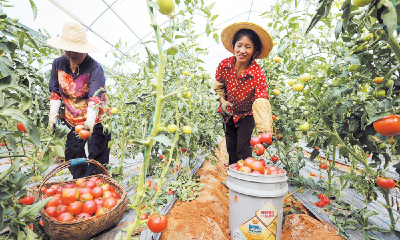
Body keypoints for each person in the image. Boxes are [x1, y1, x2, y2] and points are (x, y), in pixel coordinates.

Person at [47, 22, 111, 179]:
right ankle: (80, 183)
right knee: (73, 153)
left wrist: (90, 122)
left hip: (96, 118)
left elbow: (94, 98)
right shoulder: (58, 64)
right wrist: (53, 113)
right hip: (72, 119)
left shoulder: (95, 68)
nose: (72, 53)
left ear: (84, 50)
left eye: (77, 50)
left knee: (97, 154)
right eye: (68, 48)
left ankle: (95, 185)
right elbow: (55, 92)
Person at [213, 22, 274, 165]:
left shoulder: (257, 73)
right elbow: (218, 86)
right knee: (231, 146)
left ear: (255, 50)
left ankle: (246, 176)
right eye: (239, 45)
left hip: (247, 114)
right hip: (228, 113)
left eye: (248, 47)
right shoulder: (224, 65)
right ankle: (234, 175)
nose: (242, 50)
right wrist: (223, 102)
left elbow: (261, 99)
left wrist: (265, 132)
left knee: (243, 147)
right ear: (233, 46)